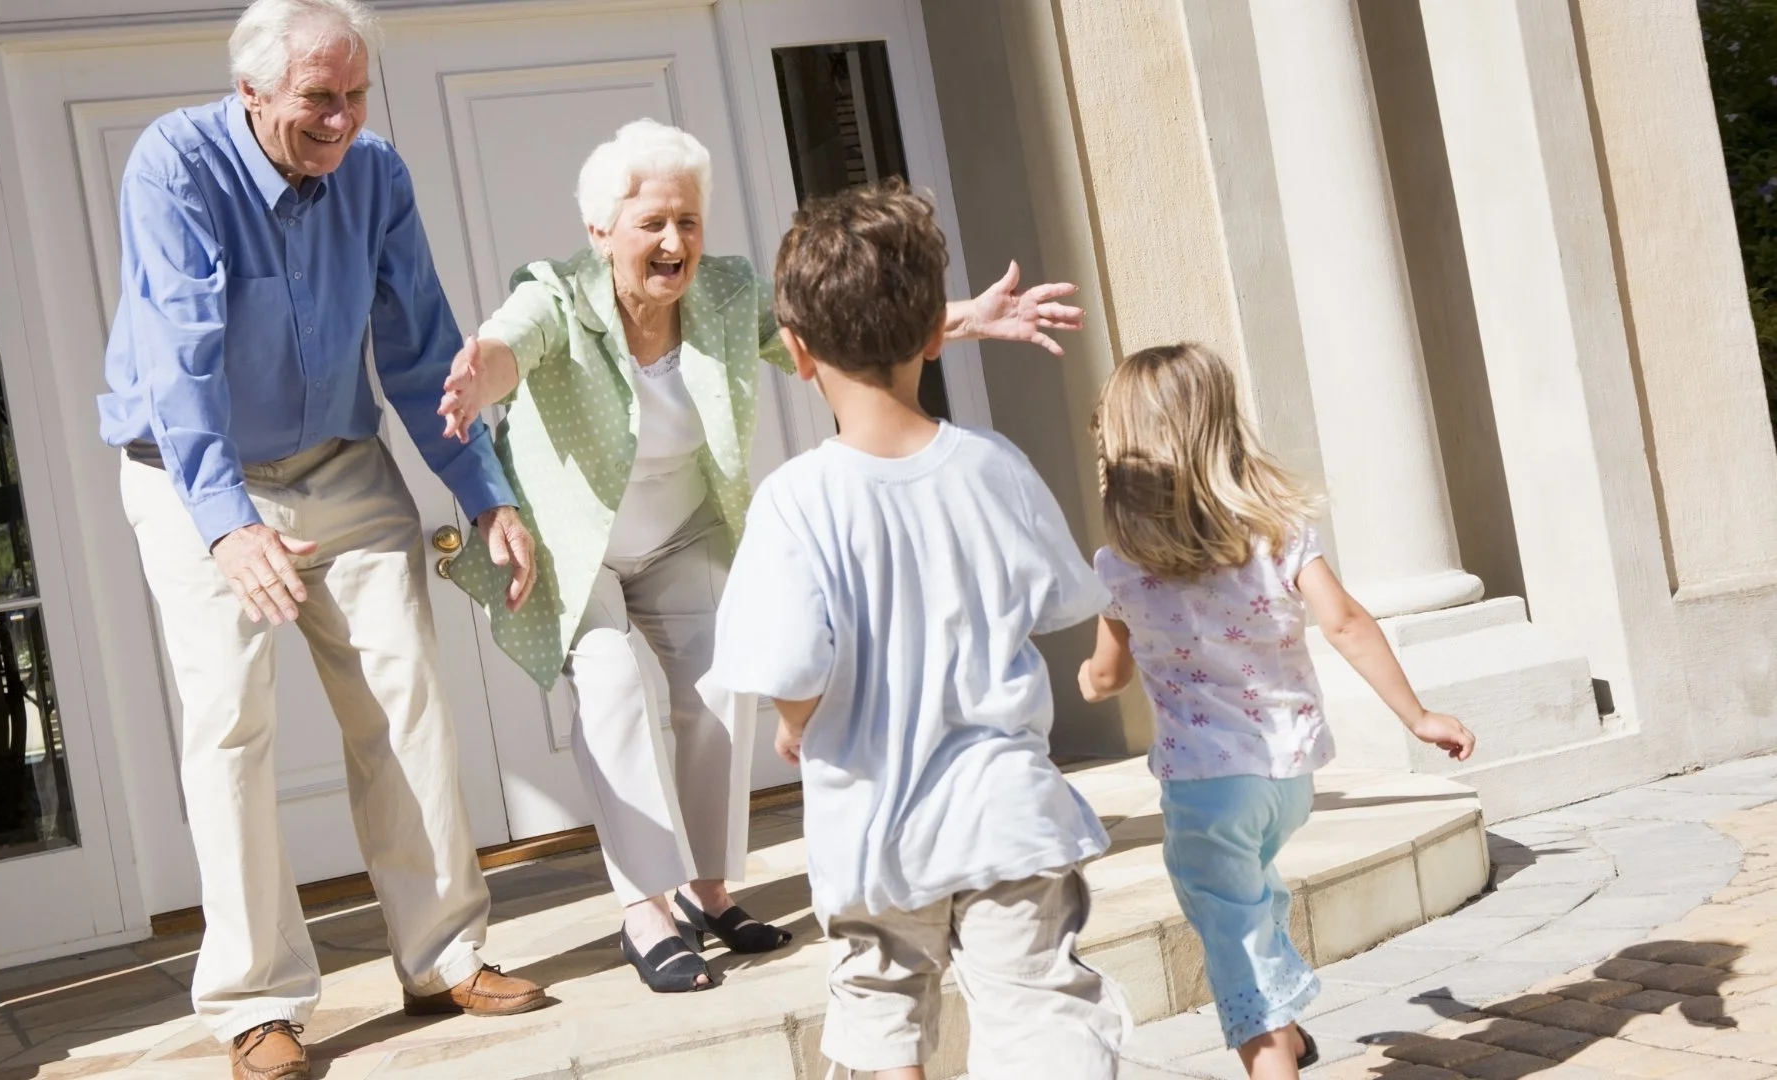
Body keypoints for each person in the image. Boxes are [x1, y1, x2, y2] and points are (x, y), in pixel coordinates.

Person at [434, 120, 1086, 993]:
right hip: (579, 548)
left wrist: (963, 318)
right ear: (600, 231)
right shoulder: (555, 297)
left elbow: (838, 329)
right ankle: (645, 908)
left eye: (689, 222)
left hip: (680, 531)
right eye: (652, 224)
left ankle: (707, 890)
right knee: (614, 685)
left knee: (718, 684)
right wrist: (478, 377)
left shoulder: (727, 291)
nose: (675, 243)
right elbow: (508, 347)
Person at [99, 2, 547, 1076]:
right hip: (192, 472)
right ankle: (254, 1002)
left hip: (341, 464)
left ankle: (443, 955)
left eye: (355, 95)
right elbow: (180, 357)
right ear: (251, 92)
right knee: (231, 723)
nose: (342, 120)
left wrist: (484, 492)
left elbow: (420, 344)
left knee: (405, 699)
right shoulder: (176, 165)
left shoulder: (375, 174)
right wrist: (226, 526)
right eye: (317, 98)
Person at [697, 180, 1132, 1080]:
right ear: (937, 331)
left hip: (873, 829)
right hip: (1006, 815)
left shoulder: (793, 501)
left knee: (880, 1018)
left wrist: (794, 723)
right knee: (1040, 1013)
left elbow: (791, 668)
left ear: (796, 349)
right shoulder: (994, 465)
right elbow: (1062, 598)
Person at [1076, 343, 1477, 1080]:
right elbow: (1345, 623)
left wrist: (1088, 682)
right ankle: (1287, 1034)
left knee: (1230, 933)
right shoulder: (1278, 532)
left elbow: (1105, 675)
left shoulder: (1119, 566)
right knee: (1252, 894)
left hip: (1205, 789)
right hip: (1288, 779)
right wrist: (1417, 716)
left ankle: (1270, 1056)